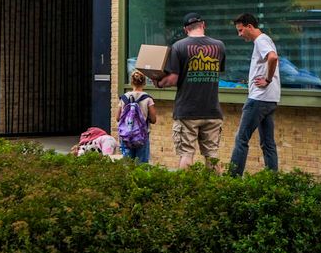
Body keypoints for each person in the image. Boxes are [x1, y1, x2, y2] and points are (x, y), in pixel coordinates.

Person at [158, 12, 226, 168]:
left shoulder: (179, 47)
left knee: (186, 154)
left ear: (185, 29)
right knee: (212, 156)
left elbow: (173, 79)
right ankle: (216, 189)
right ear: (203, 25)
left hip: (187, 111)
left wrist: (160, 83)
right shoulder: (219, 46)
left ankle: (185, 191)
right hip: (212, 110)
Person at [227, 13, 280, 176]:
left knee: (241, 139)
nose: (240, 34)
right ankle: (272, 179)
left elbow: (273, 57)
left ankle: (232, 179)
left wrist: (267, 80)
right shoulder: (266, 39)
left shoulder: (261, 40)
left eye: (241, 30)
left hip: (258, 99)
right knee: (268, 143)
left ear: (250, 26)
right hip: (270, 99)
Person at [117, 70, 158, 162]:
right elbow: (154, 119)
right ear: (144, 83)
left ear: (131, 82)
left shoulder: (124, 97)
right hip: (142, 136)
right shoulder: (148, 98)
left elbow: (117, 118)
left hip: (126, 135)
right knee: (141, 165)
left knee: (127, 164)